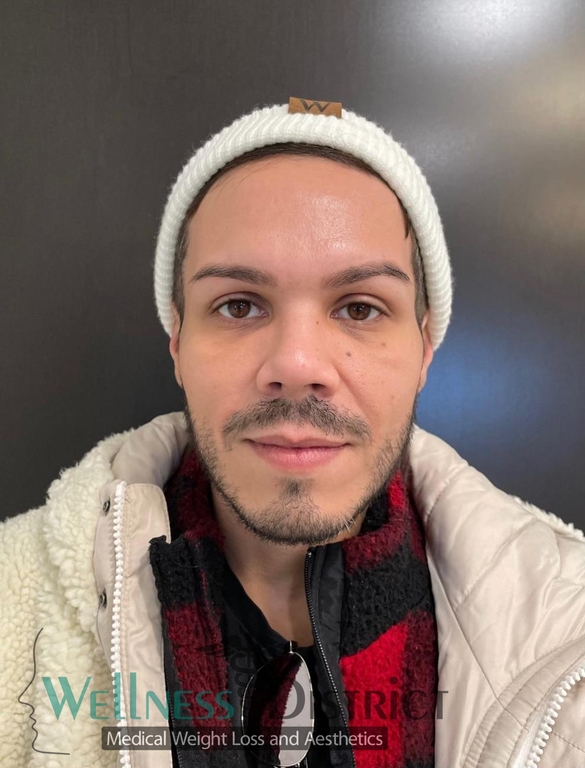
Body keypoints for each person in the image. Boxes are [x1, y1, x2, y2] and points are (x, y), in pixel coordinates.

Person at [1, 98, 584, 768]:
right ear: (177, 343)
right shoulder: (13, 598)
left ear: (425, 348)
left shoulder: (567, 623)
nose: (299, 365)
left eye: (359, 308)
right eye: (238, 305)